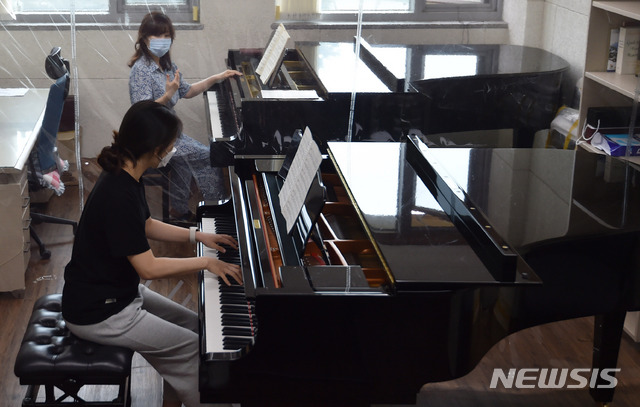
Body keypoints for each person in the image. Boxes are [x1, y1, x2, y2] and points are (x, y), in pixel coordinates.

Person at [61, 100, 243, 407]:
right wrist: (206, 262)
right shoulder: (118, 192)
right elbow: (148, 268)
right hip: (99, 312)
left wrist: (197, 234)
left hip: (116, 293)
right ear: (156, 148)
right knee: (191, 349)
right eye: (171, 144)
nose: (174, 148)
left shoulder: (126, 169)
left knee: (198, 330)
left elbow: (144, 224)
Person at [128, 11, 242, 222]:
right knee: (210, 157)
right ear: (144, 38)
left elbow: (187, 91)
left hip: (171, 136)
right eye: (157, 36)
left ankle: (178, 211)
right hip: (152, 140)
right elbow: (141, 111)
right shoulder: (140, 70)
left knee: (186, 160)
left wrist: (218, 77)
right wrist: (168, 94)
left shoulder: (168, 65)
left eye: (166, 36)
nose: (163, 41)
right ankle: (216, 212)